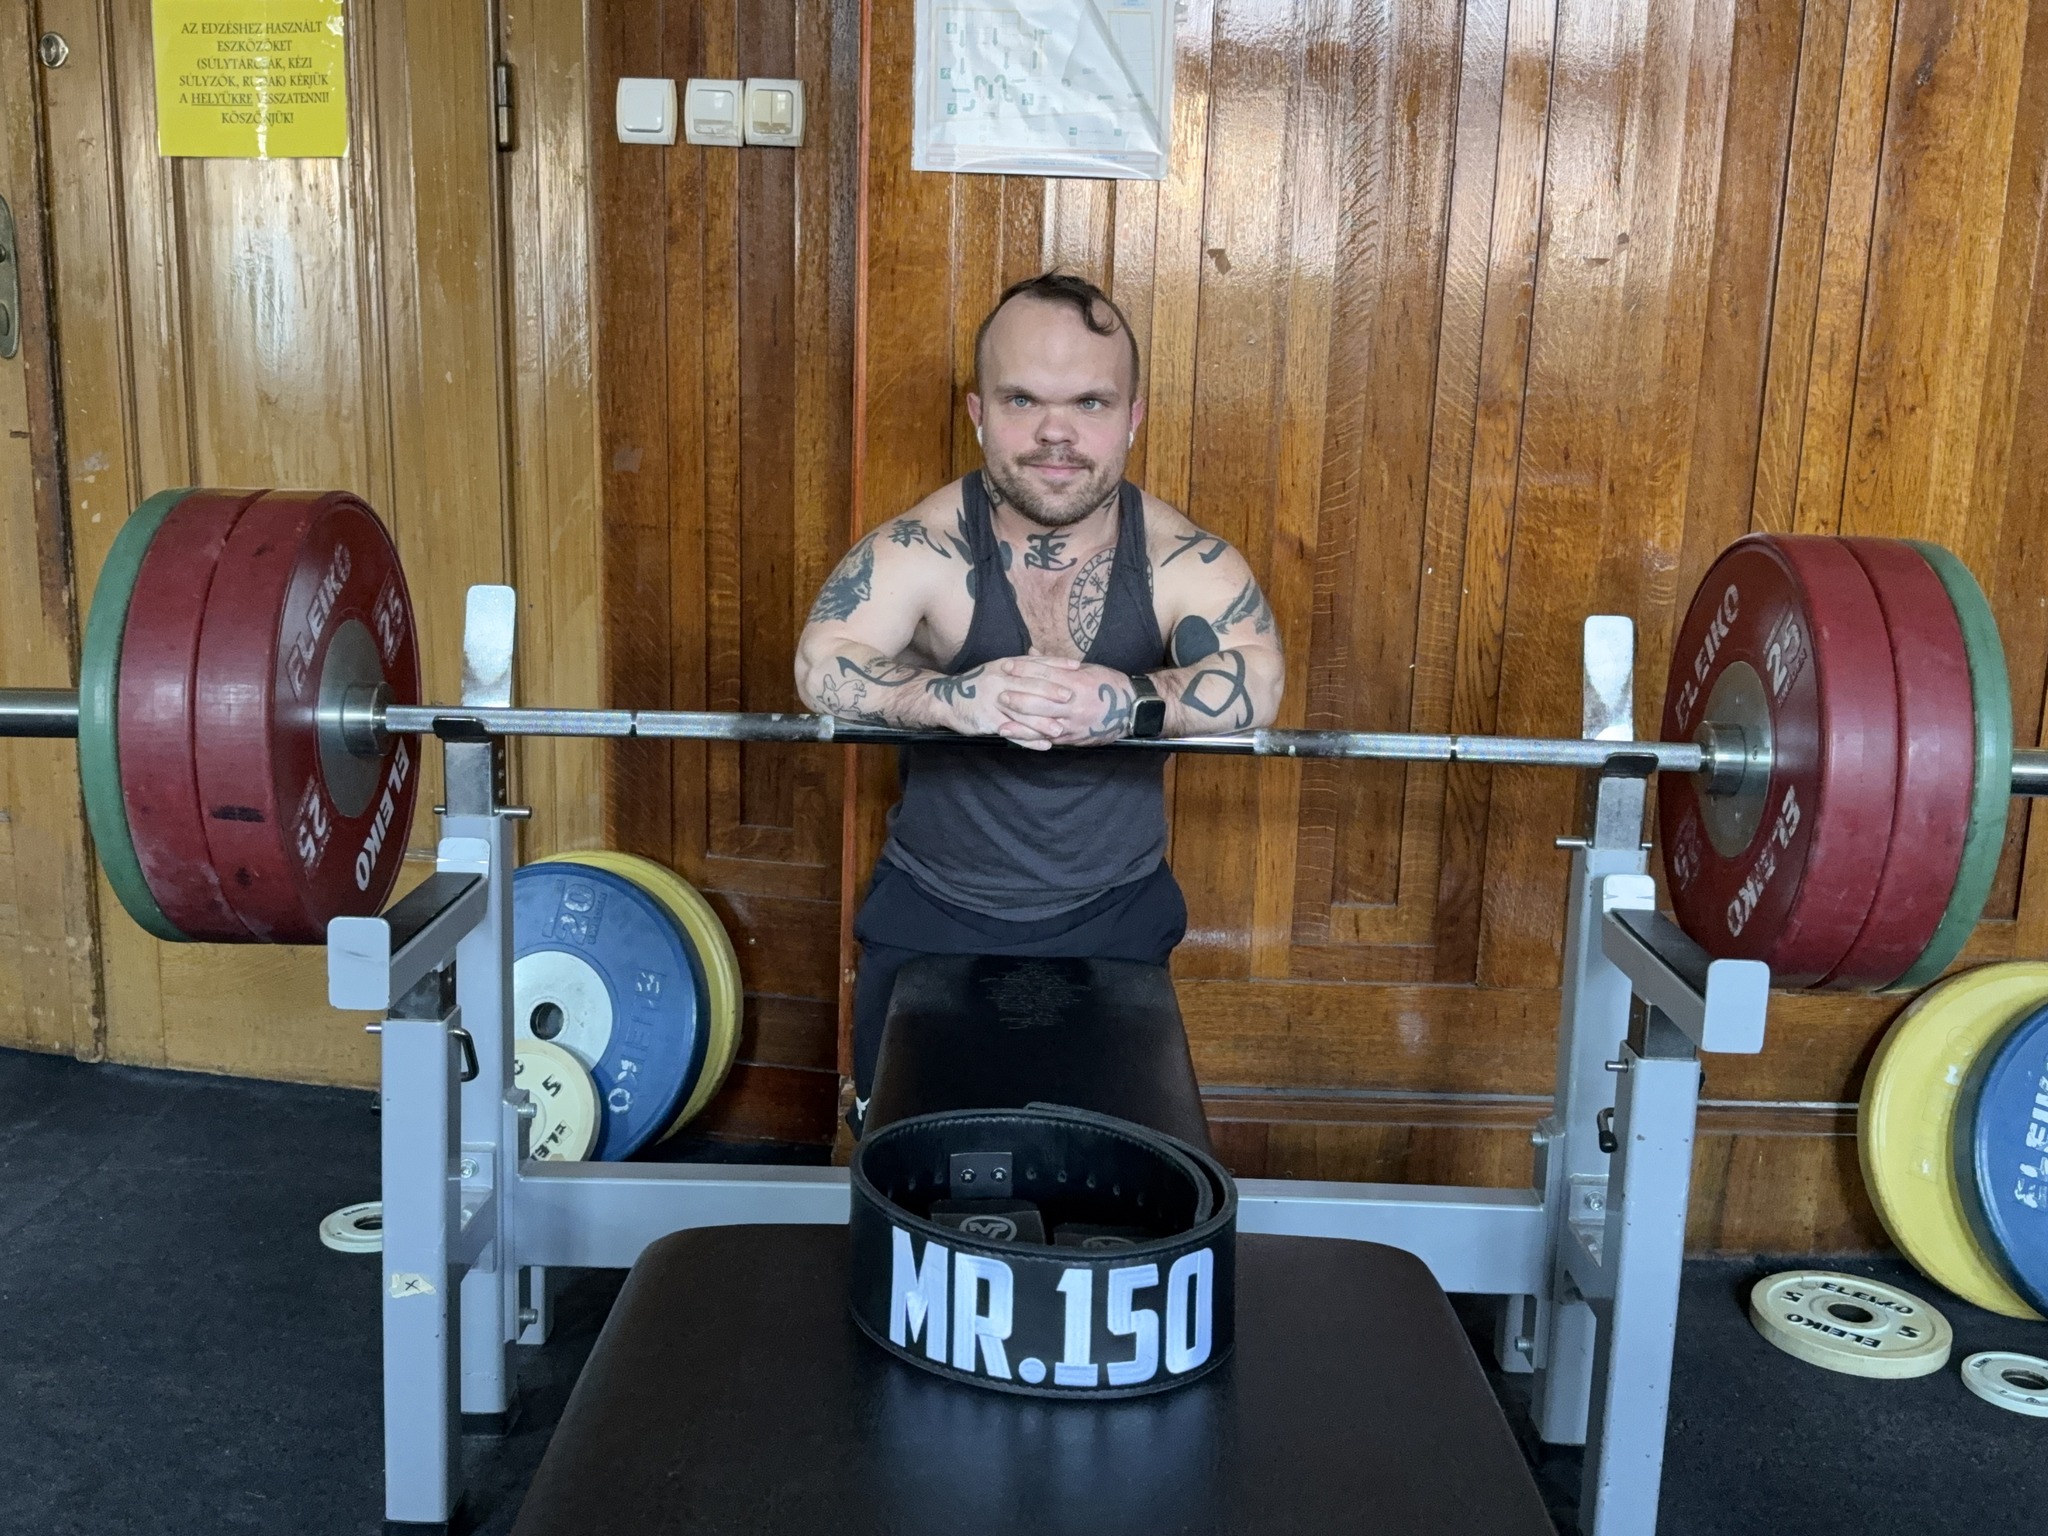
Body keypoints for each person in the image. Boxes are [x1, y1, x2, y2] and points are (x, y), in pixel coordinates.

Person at [793, 272, 1284, 1133]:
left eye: (1090, 402)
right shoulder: (925, 547)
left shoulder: (1180, 558)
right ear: (978, 412)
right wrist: (951, 698)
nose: (1057, 433)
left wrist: (1129, 701)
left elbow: (1259, 677)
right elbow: (821, 663)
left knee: (1109, 1174)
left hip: (1115, 917)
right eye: (1023, 400)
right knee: (907, 1172)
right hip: (931, 911)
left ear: (1132, 417)